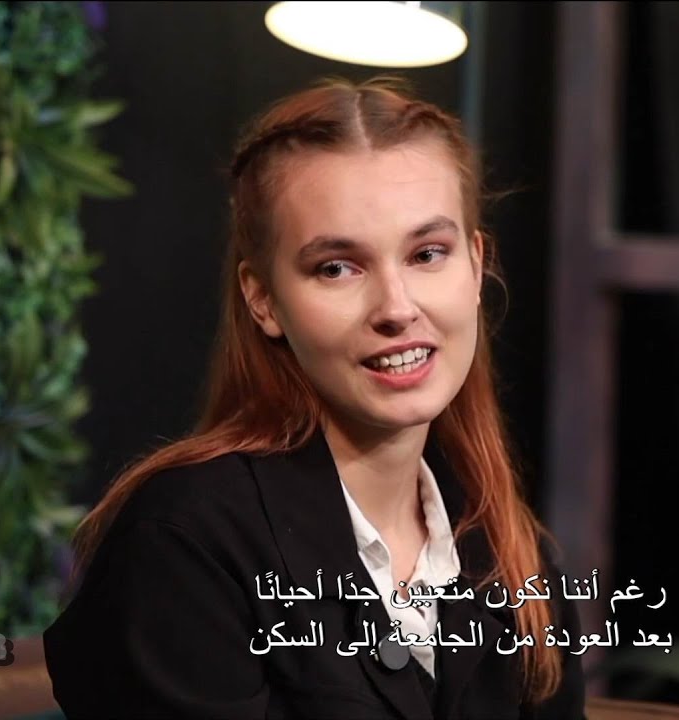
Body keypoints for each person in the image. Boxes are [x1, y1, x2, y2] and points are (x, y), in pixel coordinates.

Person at [42, 75, 586, 719]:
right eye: (337, 267)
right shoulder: (184, 544)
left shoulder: (517, 559)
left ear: (475, 264)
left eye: (427, 254)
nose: (396, 307)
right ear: (263, 299)